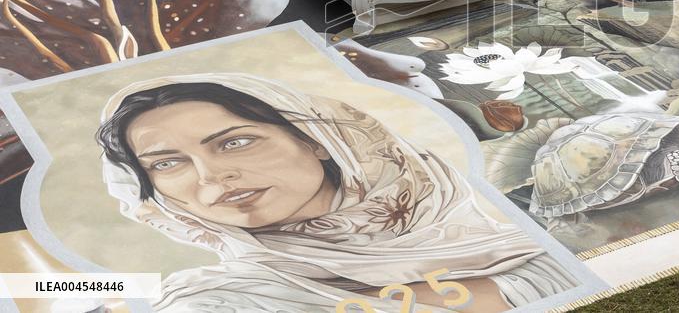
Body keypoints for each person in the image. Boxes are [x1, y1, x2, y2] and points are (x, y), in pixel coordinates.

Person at [97, 73, 577, 312]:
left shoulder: (528, 240)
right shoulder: (217, 300)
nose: (208, 178)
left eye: (235, 142)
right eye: (166, 163)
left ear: (317, 142)